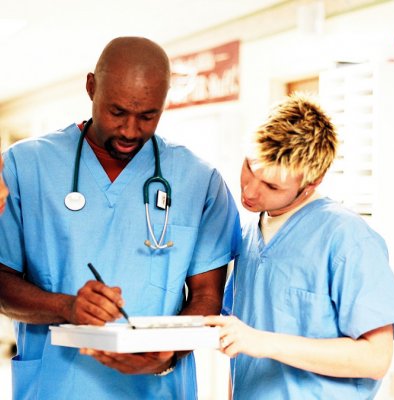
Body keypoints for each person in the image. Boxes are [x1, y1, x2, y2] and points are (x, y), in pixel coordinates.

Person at [0, 37, 240, 400]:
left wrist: (168, 355)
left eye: (148, 116)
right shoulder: (24, 166)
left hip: (159, 389)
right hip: (56, 386)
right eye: (117, 113)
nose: (130, 131)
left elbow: (207, 295)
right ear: (91, 87)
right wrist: (66, 307)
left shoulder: (199, 180)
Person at [205, 93, 394, 399]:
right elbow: (241, 347)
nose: (251, 192)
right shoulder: (248, 236)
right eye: (250, 168)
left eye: (272, 186)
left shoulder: (346, 238)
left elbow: (376, 358)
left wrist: (265, 342)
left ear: (313, 182)